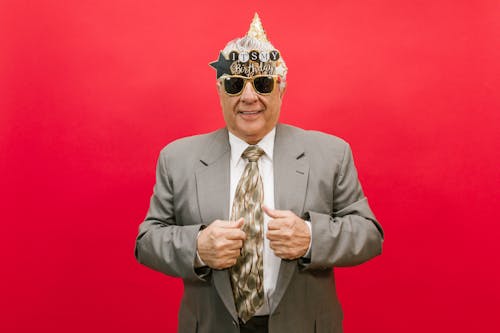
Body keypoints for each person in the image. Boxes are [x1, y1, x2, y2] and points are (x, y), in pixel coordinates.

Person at [135, 13, 383, 333]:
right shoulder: (177, 159)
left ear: (281, 90)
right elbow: (147, 240)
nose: (249, 97)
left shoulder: (331, 155)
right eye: (236, 84)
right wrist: (197, 246)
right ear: (220, 90)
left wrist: (311, 238)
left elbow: (369, 234)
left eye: (262, 84)